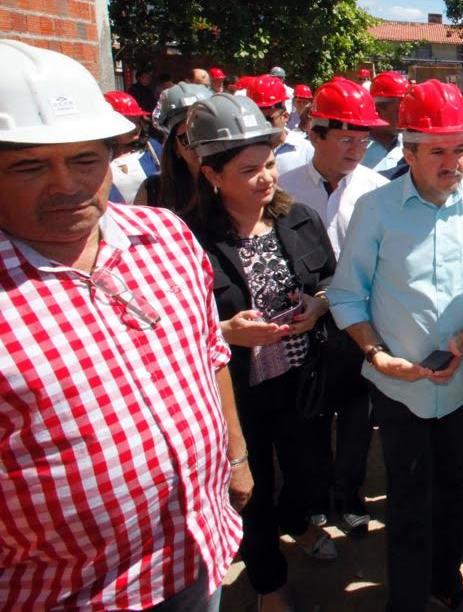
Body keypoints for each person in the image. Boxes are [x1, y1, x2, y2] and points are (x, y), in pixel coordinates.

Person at [0, 39, 248, 610]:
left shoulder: (165, 237)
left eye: (85, 159)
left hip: (198, 554)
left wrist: (236, 457)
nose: (66, 184)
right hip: (68, 595)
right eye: (30, 165)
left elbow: (210, 355)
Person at [328, 79, 463, 612]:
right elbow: (346, 296)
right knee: (406, 503)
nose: (452, 162)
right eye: (438, 151)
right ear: (408, 152)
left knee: (454, 492)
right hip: (397, 388)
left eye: (460, 148)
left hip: (460, 385)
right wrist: (379, 356)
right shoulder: (376, 208)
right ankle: (406, 600)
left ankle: (445, 585)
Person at [184, 92, 339, 612]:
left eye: (270, 163)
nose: (267, 178)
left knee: (311, 473)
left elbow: (331, 282)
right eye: (249, 169)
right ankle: (269, 583)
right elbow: (177, 325)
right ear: (212, 175)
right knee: (252, 488)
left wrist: (317, 307)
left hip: (303, 380)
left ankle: (296, 519)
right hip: (237, 391)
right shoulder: (188, 240)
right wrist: (225, 331)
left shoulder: (300, 220)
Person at [278, 77, 390, 535]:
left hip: (360, 325)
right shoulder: (283, 190)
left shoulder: (377, 191)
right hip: (300, 326)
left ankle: (349, 495)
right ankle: (314, 500)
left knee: (358, 417)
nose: (357, 149)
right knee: (308, 417)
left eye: (364, 139)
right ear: (315, 132)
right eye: (346, 138)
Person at [137, 81, 213, 210]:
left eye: (207, 134)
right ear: (175, 147)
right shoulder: (153, 191)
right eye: (188, 138)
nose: (199, 144)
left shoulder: (239, 182)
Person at [244, 74, 314, 176]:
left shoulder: (305, 150)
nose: (262, 126)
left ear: (285, 116)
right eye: (256, 120)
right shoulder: (242, 152)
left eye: (267, 120)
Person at [103, 90, 155, 203]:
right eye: (127, 122)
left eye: (137, 121)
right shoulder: (95, 158)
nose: (135, 128)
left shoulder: (152, 148)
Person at [362, 71, 409, 175]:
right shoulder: (357, 149)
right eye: (398, 112)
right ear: (378, 109)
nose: (404, 118)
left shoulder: (411, 146)